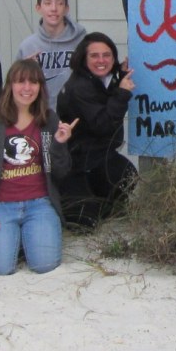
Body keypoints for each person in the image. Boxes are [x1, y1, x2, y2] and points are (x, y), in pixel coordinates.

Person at [0, 59, 75, 275]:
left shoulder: (49, 119)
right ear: (9, 85)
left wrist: (59, 144)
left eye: (33, 82)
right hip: (1, 205)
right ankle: (14, 240)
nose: (27, 88)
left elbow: (62, 173)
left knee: (44, 265)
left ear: (40, 87)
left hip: (39, 203)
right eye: (20, 82)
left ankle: (26, 237)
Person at [56, 33, 138, 228]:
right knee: (87, 222)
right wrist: (123, 94)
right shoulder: (79, 87)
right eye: (94, 56)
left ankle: (102, 204)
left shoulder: (98, 79)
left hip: (97, 156)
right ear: (83, 59)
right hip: (75, 164)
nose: (101, 60)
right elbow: (103, 124)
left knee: (126, 174)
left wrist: (120, 73)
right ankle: (74, 205)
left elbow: (105, 89)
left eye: (107, 55)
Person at [17, 0, 87, 111]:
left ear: (66, 8)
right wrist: (26, 70)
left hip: (77, 119)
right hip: (40, 118)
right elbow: (15, 88)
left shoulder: (83, 42)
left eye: (59, 3)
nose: (54, 8)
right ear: (38, 8)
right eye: (48, 3)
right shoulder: (27, 46)